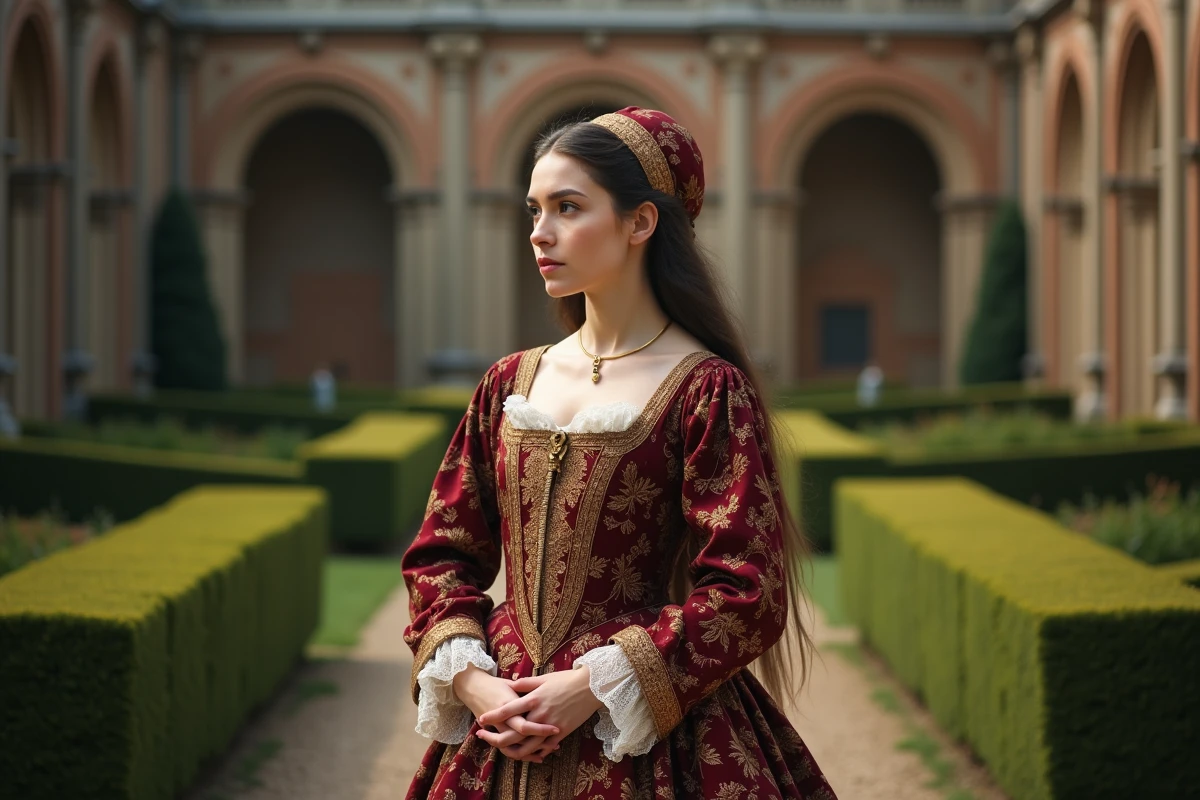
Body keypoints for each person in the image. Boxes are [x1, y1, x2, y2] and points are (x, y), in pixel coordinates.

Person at [401, 107, 837, 799]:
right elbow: (441, 554)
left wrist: (590, 687)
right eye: (535, 210)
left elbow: (747, 590)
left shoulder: (707, 391)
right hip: (502, 723)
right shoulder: (508, 383)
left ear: (640, 223)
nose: (540, 233)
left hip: (645, 740)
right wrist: (475, 683)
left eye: (568, 208)